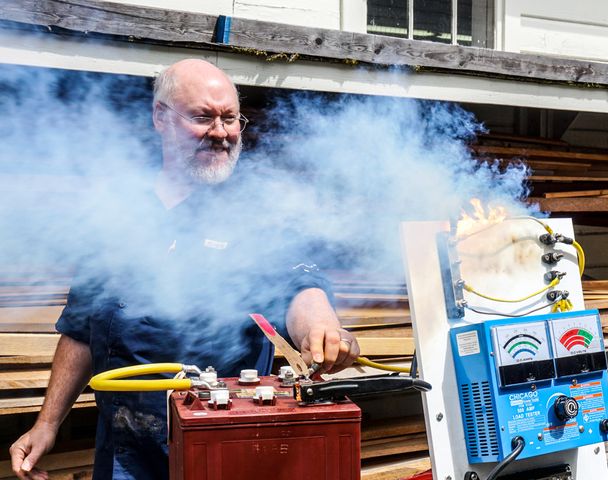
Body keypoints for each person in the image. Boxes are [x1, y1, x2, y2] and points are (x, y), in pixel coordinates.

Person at [10, 58, 360, 480]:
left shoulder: (260, 210)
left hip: (224, 446)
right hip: (125, 453)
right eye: (203, 117)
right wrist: (47, 423)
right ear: (161, 117)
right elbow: (82, 328)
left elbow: (300, 284)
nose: (221, 132)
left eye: (231, 118)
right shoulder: (119, 212)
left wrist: (322, 329)